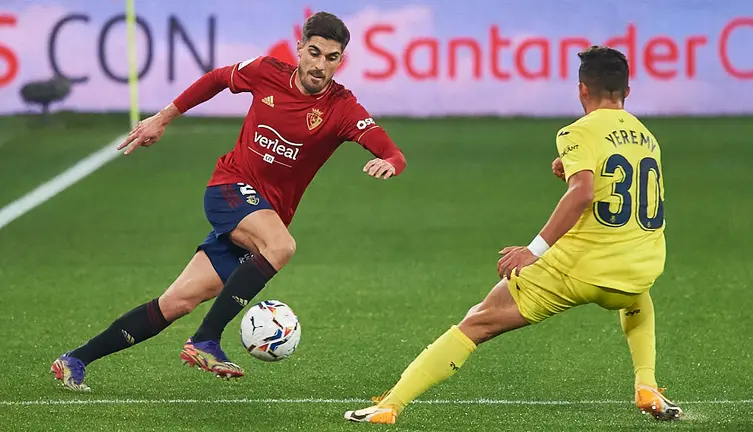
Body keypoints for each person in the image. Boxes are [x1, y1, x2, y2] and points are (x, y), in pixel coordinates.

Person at [51, 11, 406, 391]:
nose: (320, 65)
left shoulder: (341, 108)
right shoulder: (265, 72)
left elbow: (393, 153)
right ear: (300, 48)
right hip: (229, 189)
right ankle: (205, 341)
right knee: (281, 245)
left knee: (176, 302)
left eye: (331, 58)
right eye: (314, 53)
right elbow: (218, 78)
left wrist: (388, 162)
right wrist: (164, 116)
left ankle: (74, 360)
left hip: (261, 215)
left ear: (341, 60)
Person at [344, 45, 681, 424]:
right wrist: (571, 170)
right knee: (636, 297)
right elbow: (616, 185)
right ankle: (647, 384)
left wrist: (534, 250)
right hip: (639, 267)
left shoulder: (577, 131)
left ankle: (390, 405)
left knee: (479, 320)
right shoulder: (646, 136)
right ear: (627, 92)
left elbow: (583, 192)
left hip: (580, 270)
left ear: (582, 90)